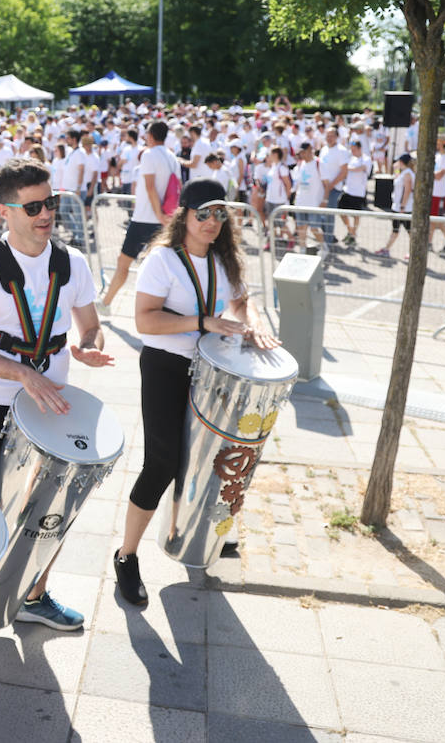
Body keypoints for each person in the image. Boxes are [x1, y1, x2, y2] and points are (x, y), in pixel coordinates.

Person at [0, 159, 111, 630]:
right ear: (6, 210)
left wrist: (88, 348)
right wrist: (22, 373)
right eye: (34, 206)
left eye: (51, 203)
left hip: (51, 409)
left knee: (51, 510)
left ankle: (35, 595)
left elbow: (91, 327)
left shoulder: (71, 262)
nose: (46, 214)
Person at [112, 179, 279, 606]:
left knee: (207, 457)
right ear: (183, 215)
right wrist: (203, 321)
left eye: (219, 213)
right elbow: (145, 322)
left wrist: (255, 320)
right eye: (202, 213)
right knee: (162, 461)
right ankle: (126, 556)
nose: (211, 222)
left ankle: (187, 533)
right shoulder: (162, 260)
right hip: (166, 367)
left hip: (210, 371)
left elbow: (243, 301)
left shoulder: (225, 259)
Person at [101, 121, 180, 309]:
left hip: (145, 218)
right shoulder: (172, 157)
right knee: (162, 267)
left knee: (124, 263)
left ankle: (106, 303)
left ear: (151, 136)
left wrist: (159, 214)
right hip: (164, 219)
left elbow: (151, 188)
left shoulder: (149, 155)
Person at [377, 154, 415, 258]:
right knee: (397, 230)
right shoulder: (404, 172)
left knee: (407, 231)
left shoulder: (407, 174)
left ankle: (413, 251)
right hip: (399, 207)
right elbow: (396, 176)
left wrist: (402, 206)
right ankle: (387, 249)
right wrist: (396, 168)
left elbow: (407, 190)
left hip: (403, 208)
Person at [337, 140, 372, 245]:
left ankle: (353, 234)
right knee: (341, 210)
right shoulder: (350, 158)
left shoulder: (366, 159)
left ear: (360, 148)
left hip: (359, 192)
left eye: (354, 150)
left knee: (356, 215)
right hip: (347, 190)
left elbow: (361, 168)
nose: (352, 152)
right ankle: (351, 231)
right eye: (351, 150)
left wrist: (348, 168)